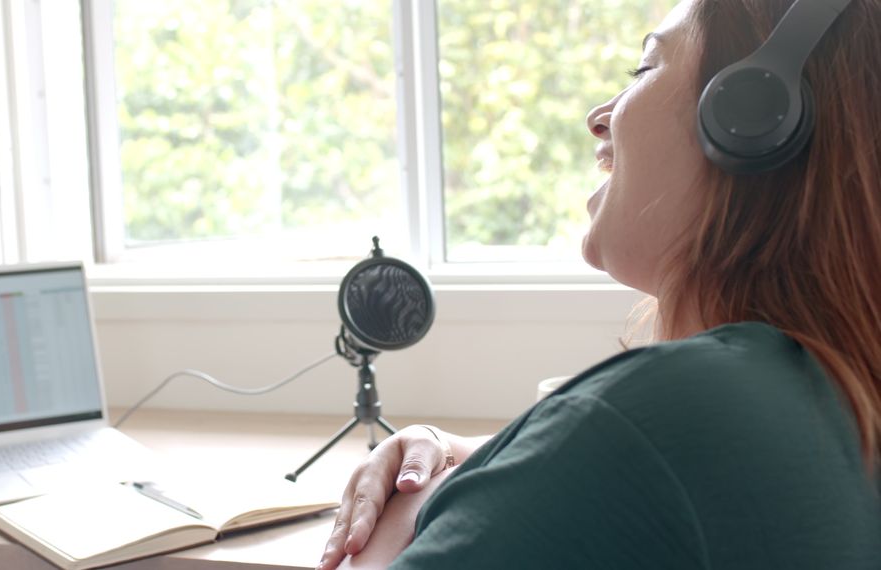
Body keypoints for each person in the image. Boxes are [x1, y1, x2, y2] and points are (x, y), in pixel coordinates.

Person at [318, 0, 881, 567]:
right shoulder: (827, 392)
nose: (598, 115)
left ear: (754, 111)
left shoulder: (666, 414)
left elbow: (636, 448)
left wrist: (416, 507)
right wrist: (465, 460)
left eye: (645, 70)